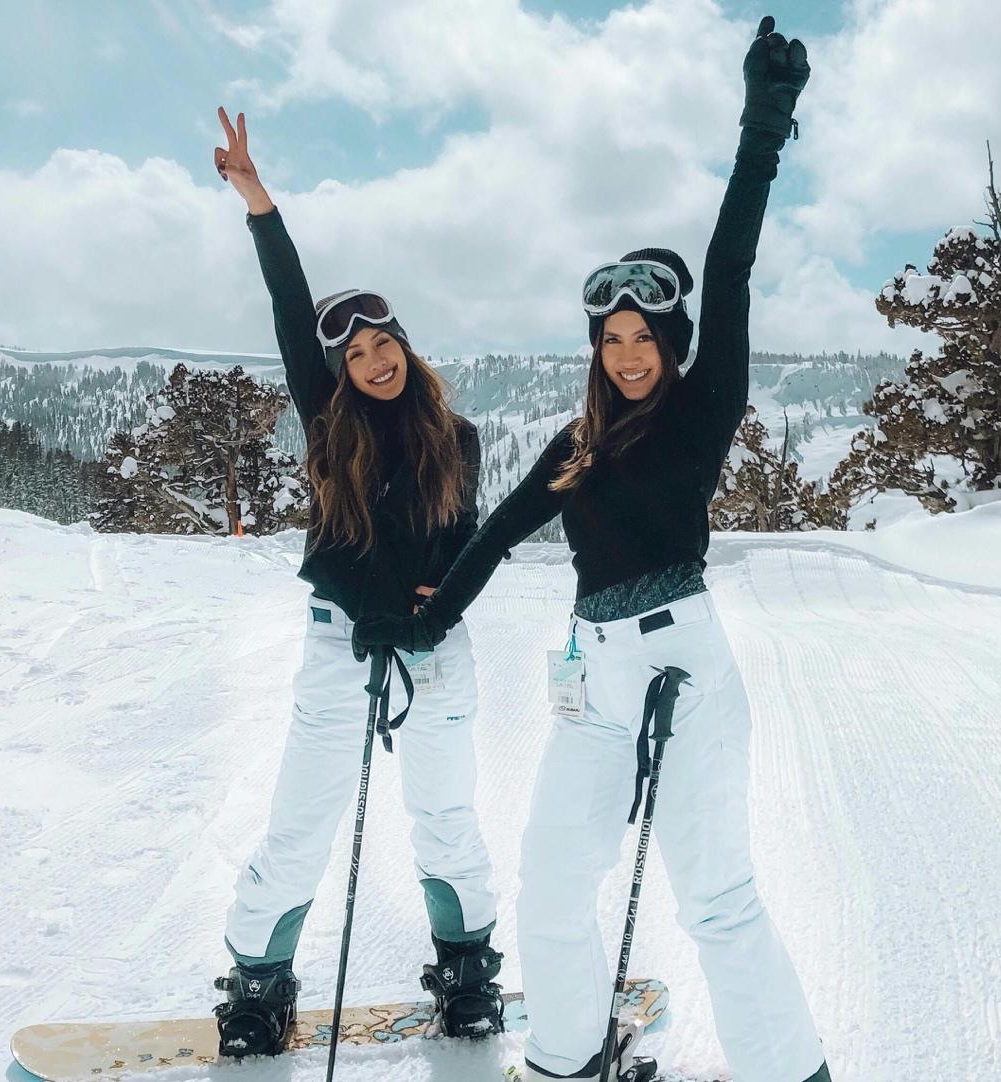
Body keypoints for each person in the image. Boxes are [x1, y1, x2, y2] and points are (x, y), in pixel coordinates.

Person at [353, 18, 830, 1082]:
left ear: (673, 346)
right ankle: (570, 1061)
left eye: (642, 339)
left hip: (684, 667)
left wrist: (763, 129)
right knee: (553, 883)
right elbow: (492, 538)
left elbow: (732, 262)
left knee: (714, 895)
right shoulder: (576, 446)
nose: (624, 355)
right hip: (594, 679)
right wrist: (421, 618)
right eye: (609, 340)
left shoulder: (701, 412)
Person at [209, 106, 504, 1057]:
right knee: (301, 819)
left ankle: (464, 970)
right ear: (337, 369)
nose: (373, 364)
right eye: (356, 356)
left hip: (432, 650)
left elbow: (465, 545)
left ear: (405, 350)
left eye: (385, 348)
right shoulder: (325, 419)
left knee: (446, 817)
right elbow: (291, 307)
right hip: (339, 640)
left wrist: (430, 608)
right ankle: (259, 982)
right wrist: (260, 203)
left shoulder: (453, 439)